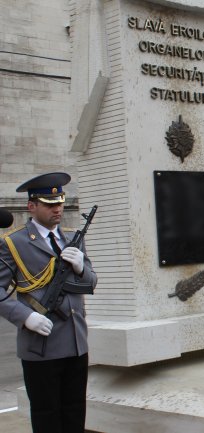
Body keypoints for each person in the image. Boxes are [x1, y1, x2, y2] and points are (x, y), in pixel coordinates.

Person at [0, 172, 97, 433]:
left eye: (60, 202)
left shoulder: (71, 237)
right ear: (32, 206)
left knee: (75, 411)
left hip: (76, 341)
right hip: (41, 345)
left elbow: (91, 281)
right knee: (47, 415)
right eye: (49, 204)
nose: (58, 209)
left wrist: (80, 268)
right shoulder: (13, 243)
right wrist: (25, 317)